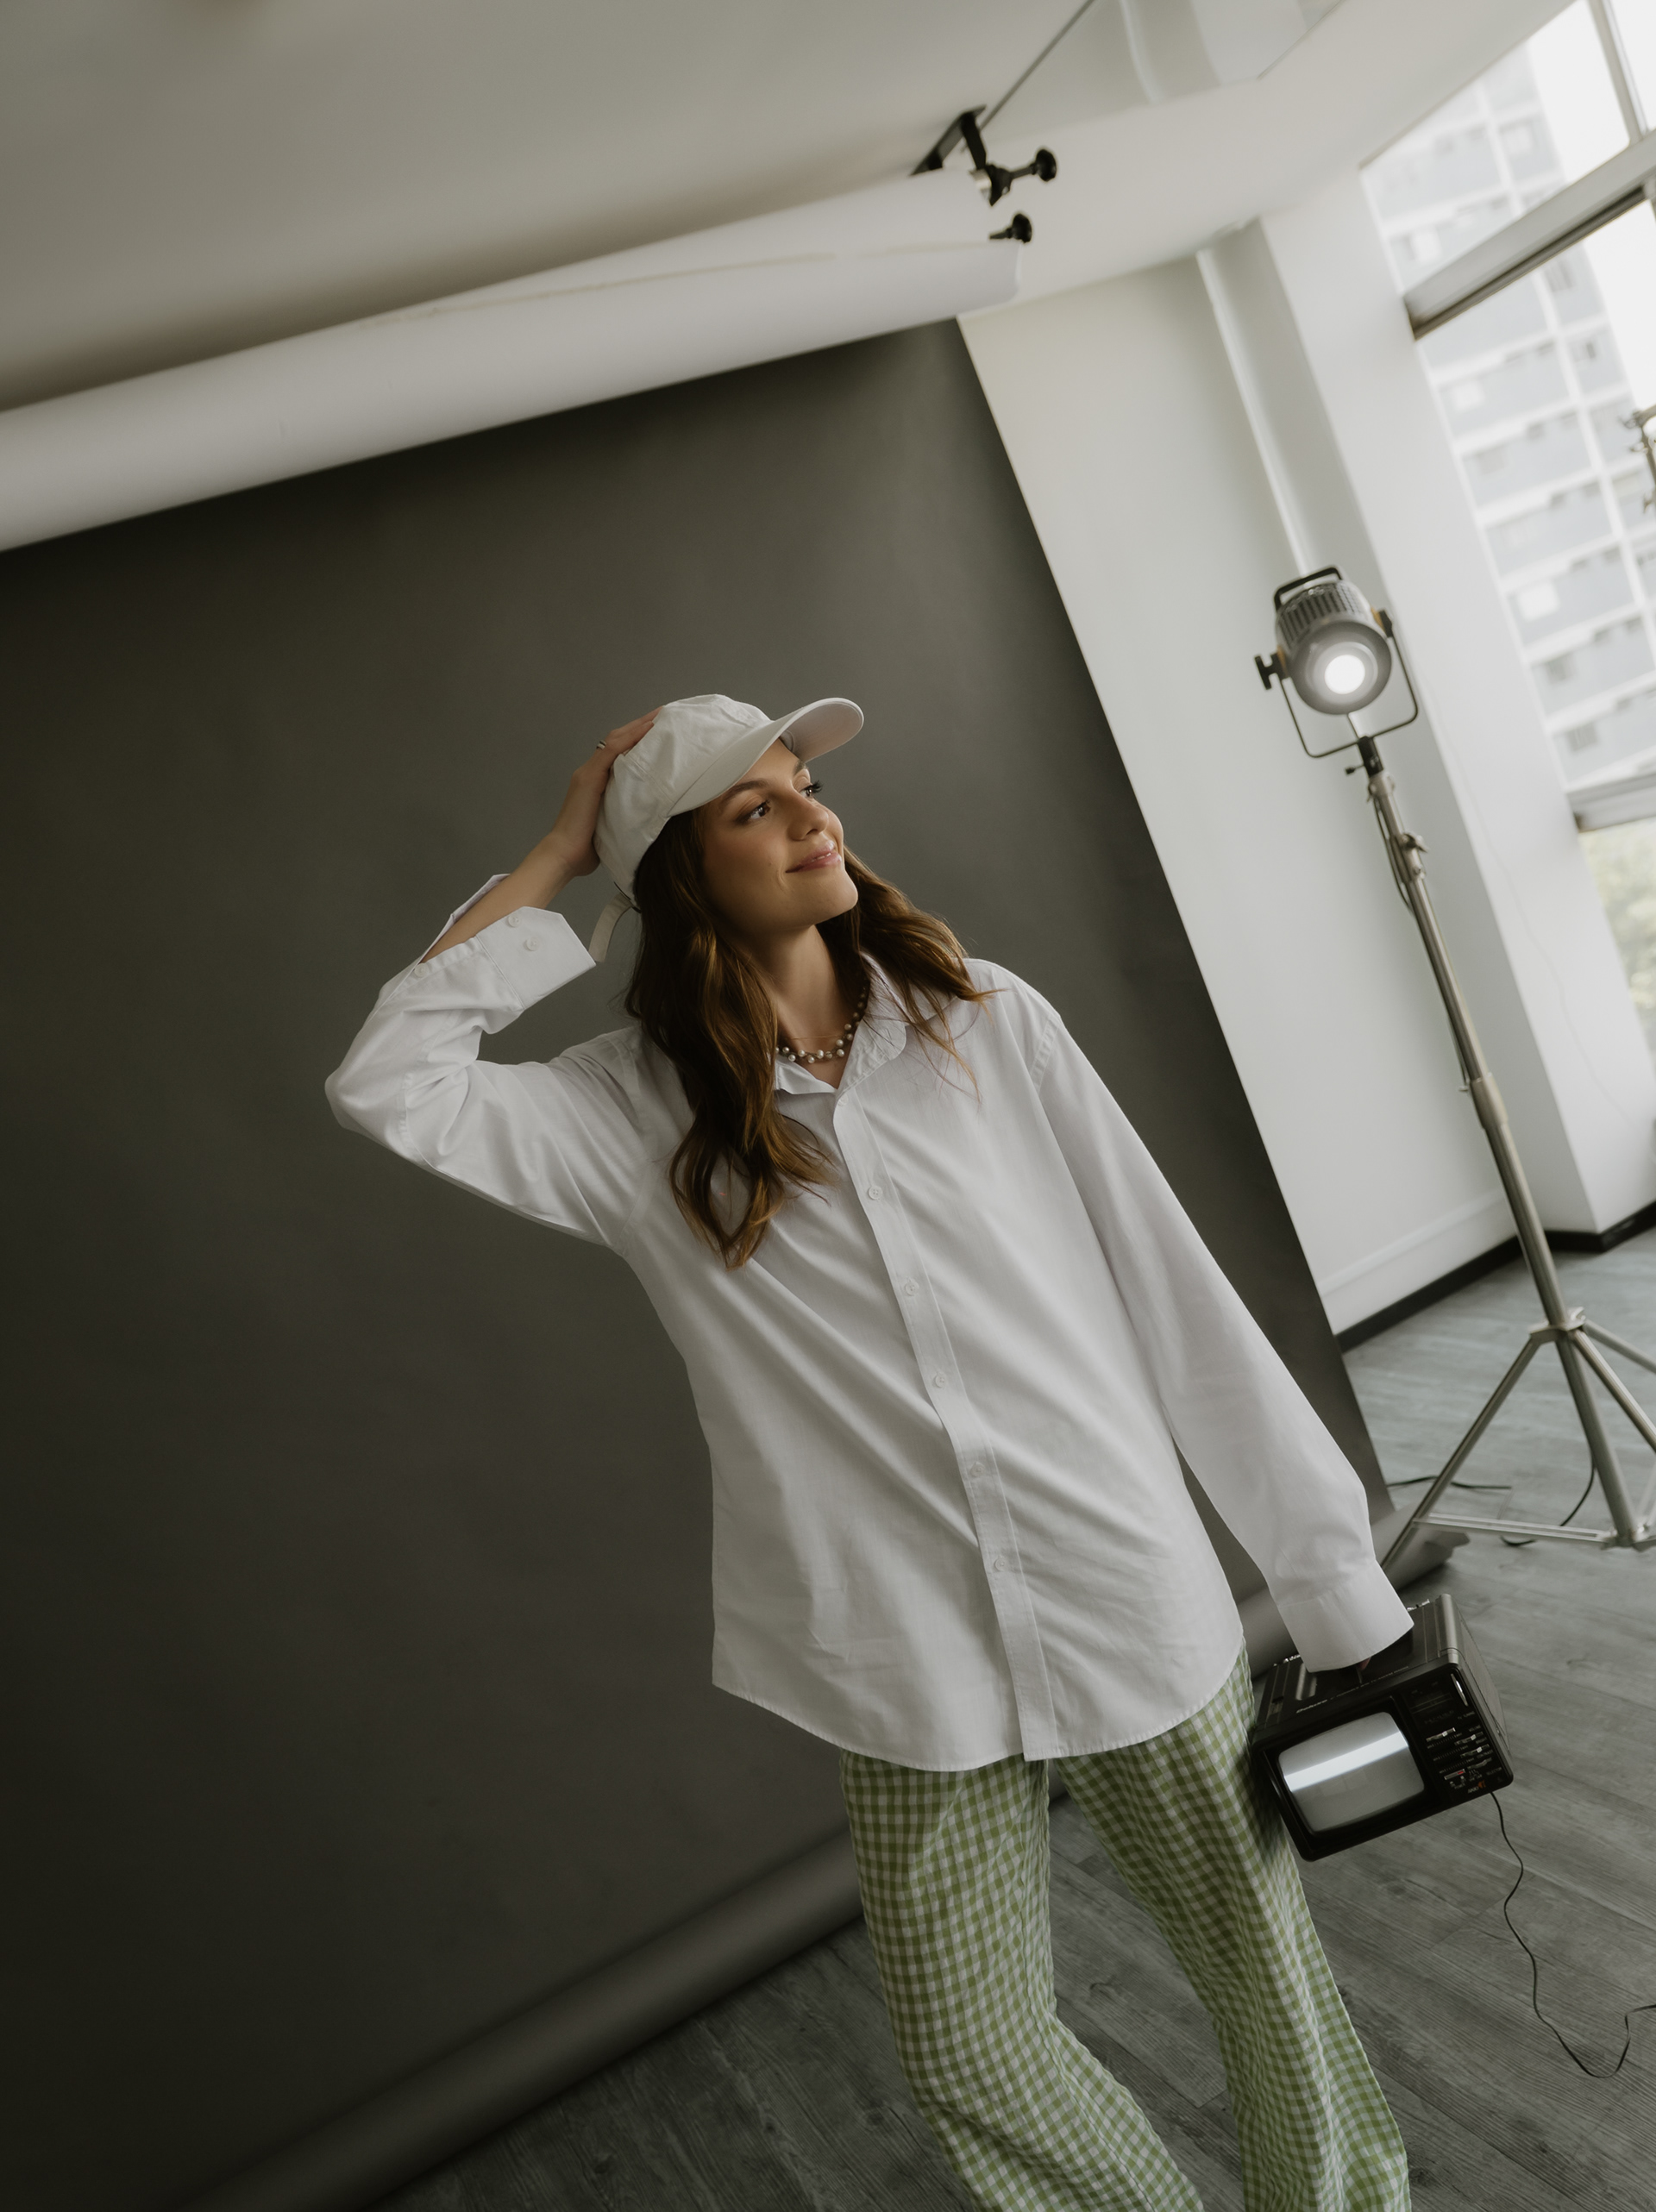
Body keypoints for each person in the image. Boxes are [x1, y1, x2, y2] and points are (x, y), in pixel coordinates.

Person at [326, 692, 1414, 2211]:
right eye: (753, 807)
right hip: (902, 1648)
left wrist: (1332, 1583)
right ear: (679, 874)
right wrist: (566, 852)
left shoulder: (987, 1019)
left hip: (1122, 1579)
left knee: (1267, 1977)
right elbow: (389, 1084)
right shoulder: (620, 1116)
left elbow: (1179, 1297)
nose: (810, 815)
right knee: (971, 2045)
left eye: (806, 784)